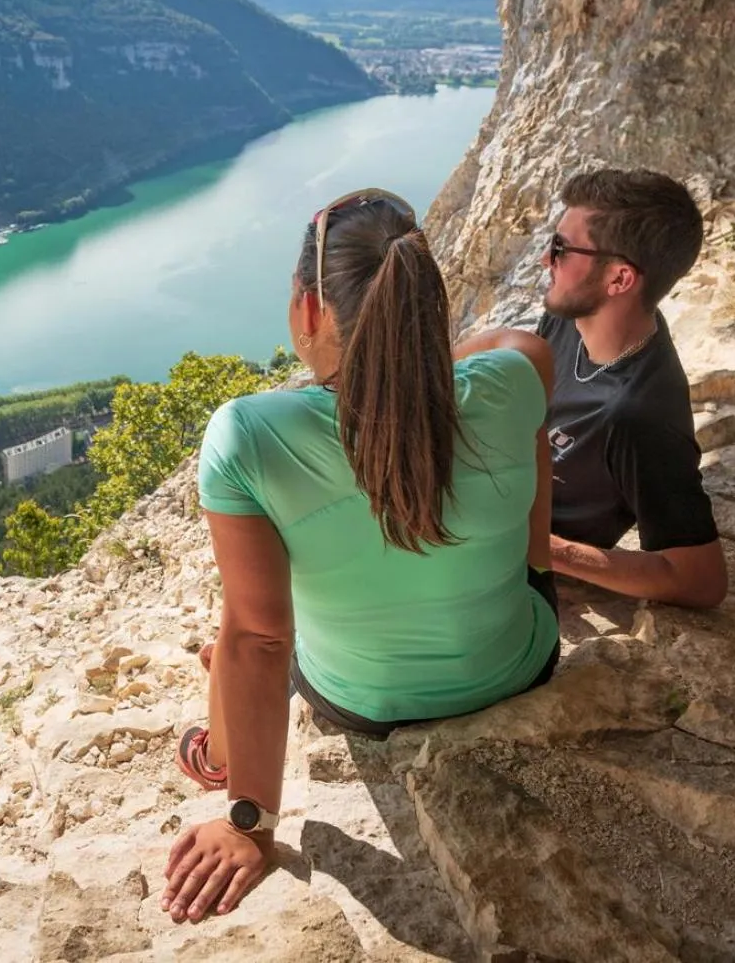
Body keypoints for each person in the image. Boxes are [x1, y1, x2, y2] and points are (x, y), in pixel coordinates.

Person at [160, 189, 558, 925]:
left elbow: (266, 638)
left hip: (365, 700)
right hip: (520, 658)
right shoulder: (519, 375)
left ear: (308, 312)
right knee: (253, 612)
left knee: (242, 618)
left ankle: (218, 752)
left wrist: (247, 823)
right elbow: (509, 346)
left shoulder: (249, 434)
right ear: (425, 302)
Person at [537, 168, 727, 609]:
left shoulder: (639, 418)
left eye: (562, 249)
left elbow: (702, 581)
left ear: (619, 279)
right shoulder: (569, 320)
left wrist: (538, 547)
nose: (546, 260)